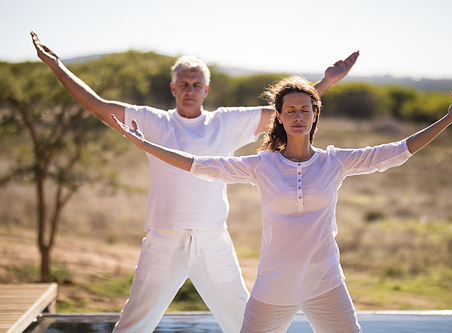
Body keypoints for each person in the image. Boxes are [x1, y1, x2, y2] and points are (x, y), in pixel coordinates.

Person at [30, 31, 359, 333]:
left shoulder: (225, 121)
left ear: (206, 89)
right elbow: (100, 107)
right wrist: (58, 67)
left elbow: (290, 109)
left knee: (244, 323)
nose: (189, 90)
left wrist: (326, 83)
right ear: (173, 88)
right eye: (183, 84)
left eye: (196, 84)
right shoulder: (153, 121)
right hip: (164, 238)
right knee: (133, 324)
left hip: (213, 239)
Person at [111, 75, 452, 333]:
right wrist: (146, 145)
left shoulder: (335, 161)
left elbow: (394, 152)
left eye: (306, 109)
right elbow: (201, 164)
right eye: (291, 111)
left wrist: (445, 120)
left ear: (315, 114)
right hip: (273, 286)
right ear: (279, 117)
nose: (298, 116)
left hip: (325, 281)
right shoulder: (262, 165)